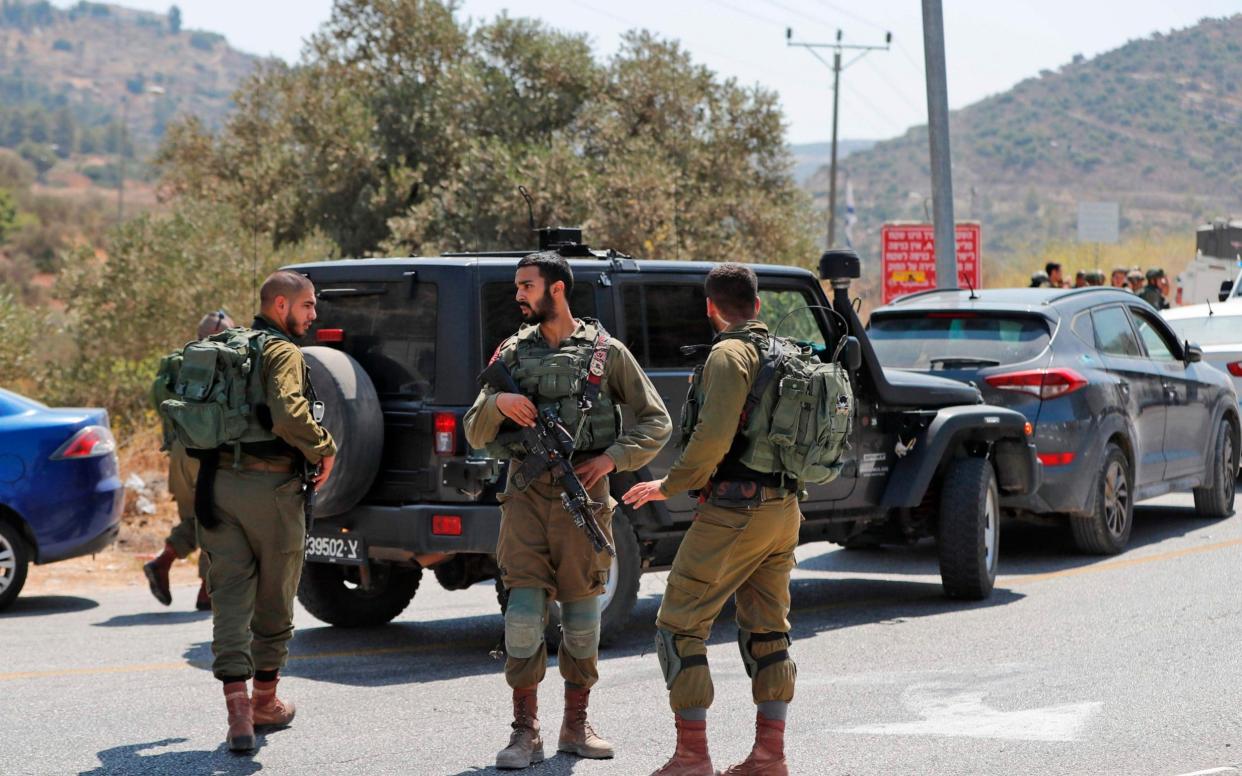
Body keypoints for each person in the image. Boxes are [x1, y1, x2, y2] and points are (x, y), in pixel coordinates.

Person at [464, 250, 671, 770]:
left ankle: (576, 724)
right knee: (524, 614)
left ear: (556, 289)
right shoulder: (511, 353)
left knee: (582, 615)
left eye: (527, 286)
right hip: (526, 498)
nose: (518, 295)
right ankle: (524, 731)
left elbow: (656, 421)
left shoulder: (606, 352)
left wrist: (611, 459)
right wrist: (497, 406)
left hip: (586, 495)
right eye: (517, 286)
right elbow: (474, 429)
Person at [624, 263, 804, 776]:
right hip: (784, 510)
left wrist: (668, 484)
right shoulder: (784, 351)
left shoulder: (729, 354)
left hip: (734, 511)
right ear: (758, 306)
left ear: (710, 307)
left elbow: (712, 439)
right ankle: (770, 757)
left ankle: (692, 757)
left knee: (678, 624)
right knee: (769, 629)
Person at [198, 271, 336, 752]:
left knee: (231, 597)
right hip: (272, 490)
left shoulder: (224, 345)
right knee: (276, 595)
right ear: (281, 305)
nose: (314, 315)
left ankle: (236, 712)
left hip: (216, 487)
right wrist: (325, 447)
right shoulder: (282, 352)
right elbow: (289, 413)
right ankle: (264, 703)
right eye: (308, 306)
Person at [144, 310, 235, 611]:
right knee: (215, 519)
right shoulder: (223, 362)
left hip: (179, 455)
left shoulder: (178, 363)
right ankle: (207, 591)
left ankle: (163, 561)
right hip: (205, 454)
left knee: (194, 519)